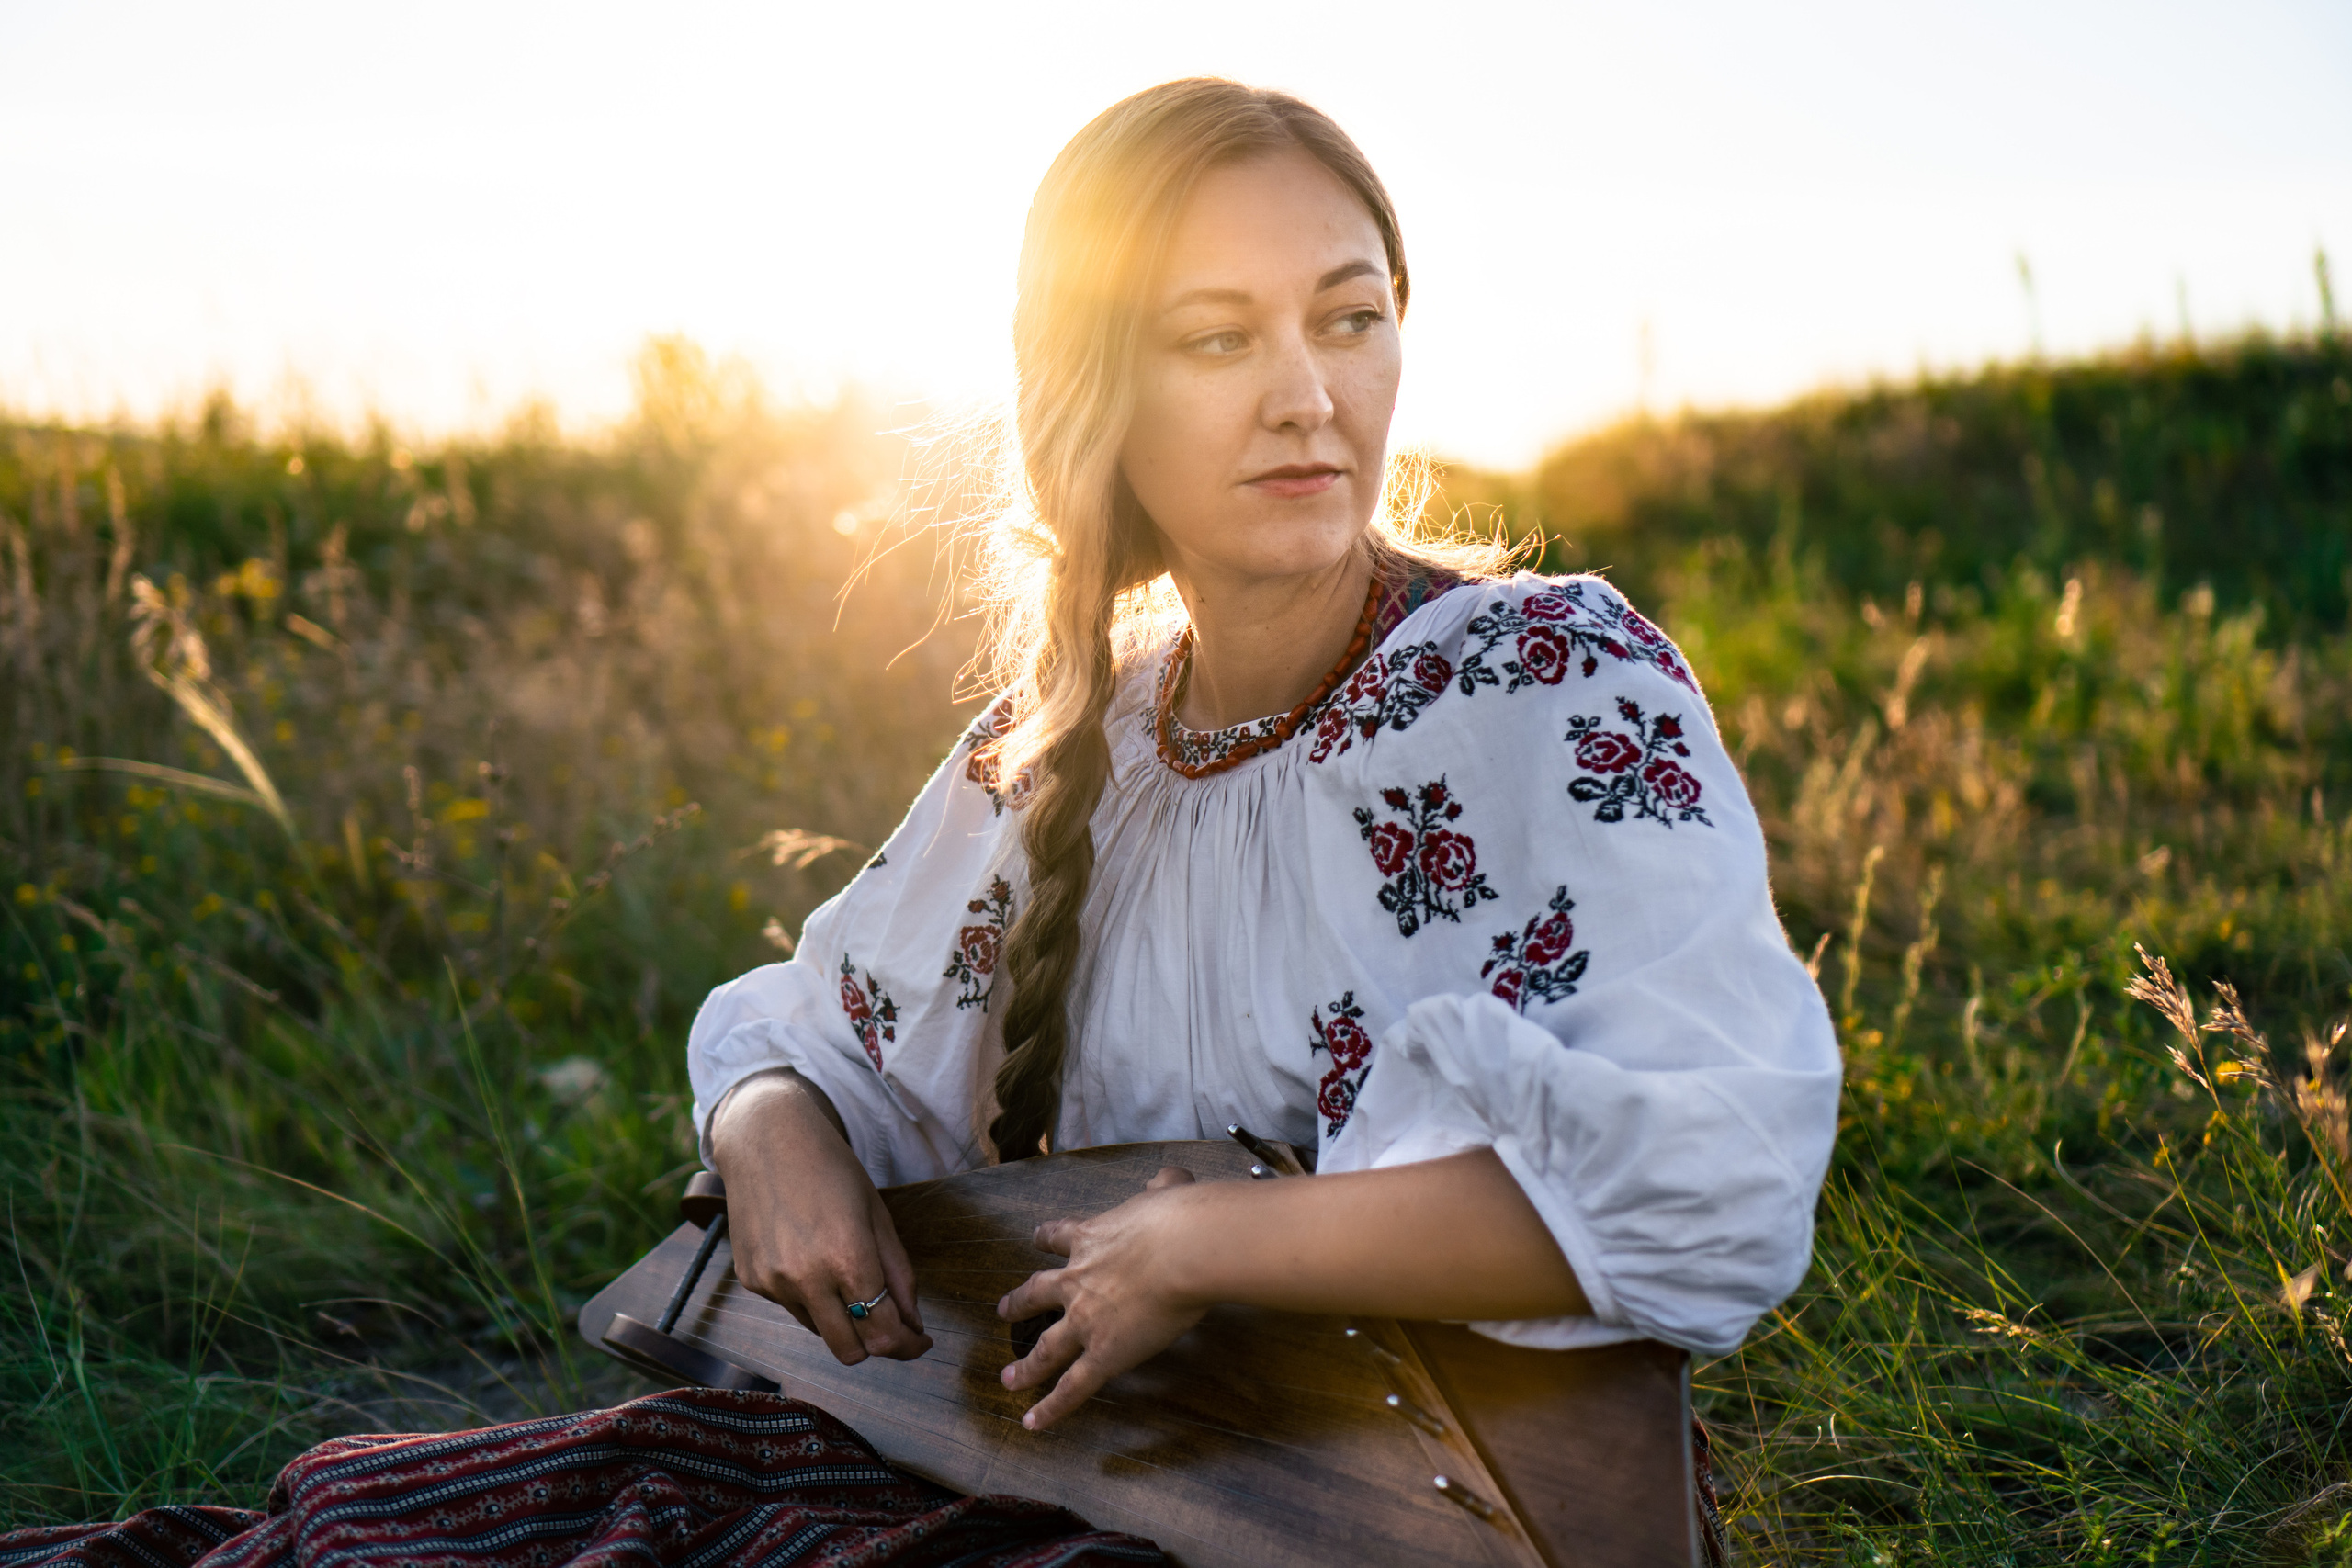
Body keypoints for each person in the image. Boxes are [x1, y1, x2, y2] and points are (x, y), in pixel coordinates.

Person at [690, 74, 1841, 1450]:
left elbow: (1710, 1177)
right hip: (1129, 1469)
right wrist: (763, 1123)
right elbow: (831, 1033)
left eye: (1351, 320)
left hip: (1437, 1504)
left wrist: (1199, 1249)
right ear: (1095, 388)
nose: (1307, 398)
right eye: (1218, 339)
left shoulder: (1548, 677)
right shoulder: (1067, 745)